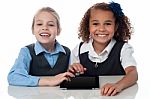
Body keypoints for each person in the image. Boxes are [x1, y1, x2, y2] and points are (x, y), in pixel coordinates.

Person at [69, 2, 138, 96]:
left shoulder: (123, 49)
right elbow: (71, 77)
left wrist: (118, 85)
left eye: (108, 24)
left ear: (116, 26)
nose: (101, 29)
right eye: (95, 24)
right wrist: (73, 70)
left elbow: (133, 74)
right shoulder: (79, 50)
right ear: (88, 26)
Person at [8, 7, 74, 87]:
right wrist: (47, 81)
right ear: (33, 29)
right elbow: (14, 77)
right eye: (39, 24)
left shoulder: (67, 52)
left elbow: (73, 76)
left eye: (50, 25)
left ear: (58, 30)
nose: (45, 28)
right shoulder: (26, 51)